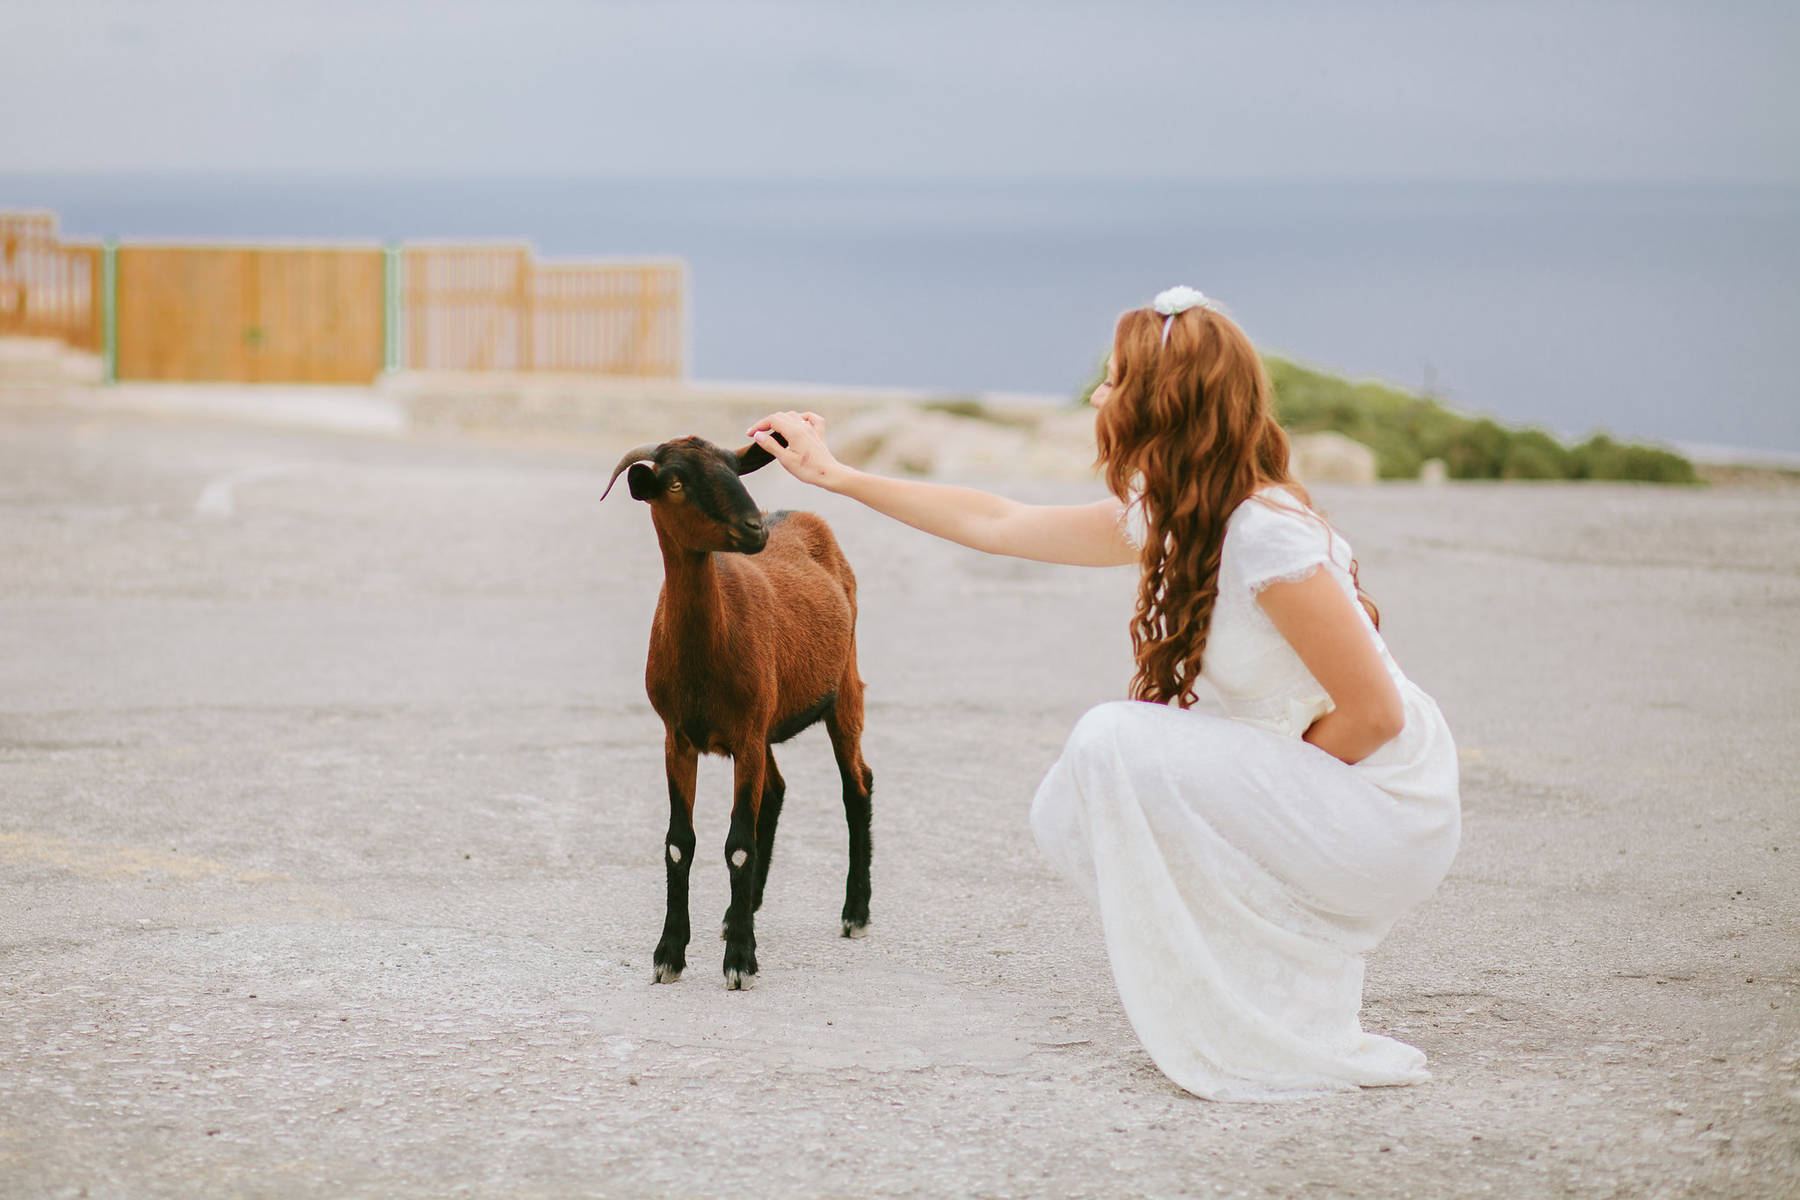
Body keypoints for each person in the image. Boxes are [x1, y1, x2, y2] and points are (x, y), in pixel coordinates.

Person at [747, 287, 1460, 1102]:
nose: (1097, 396)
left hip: (1383, 803)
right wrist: (834, 476)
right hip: (1321, 776)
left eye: (1115, 381)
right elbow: (999, 522)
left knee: (1113, 741)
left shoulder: (1265, 535)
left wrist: (1265, 795)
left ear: (1163, 405)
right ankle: (1256, 989)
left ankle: (1270, 997)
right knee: (1069, 807)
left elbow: (1376, 716)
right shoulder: (1178, 512)